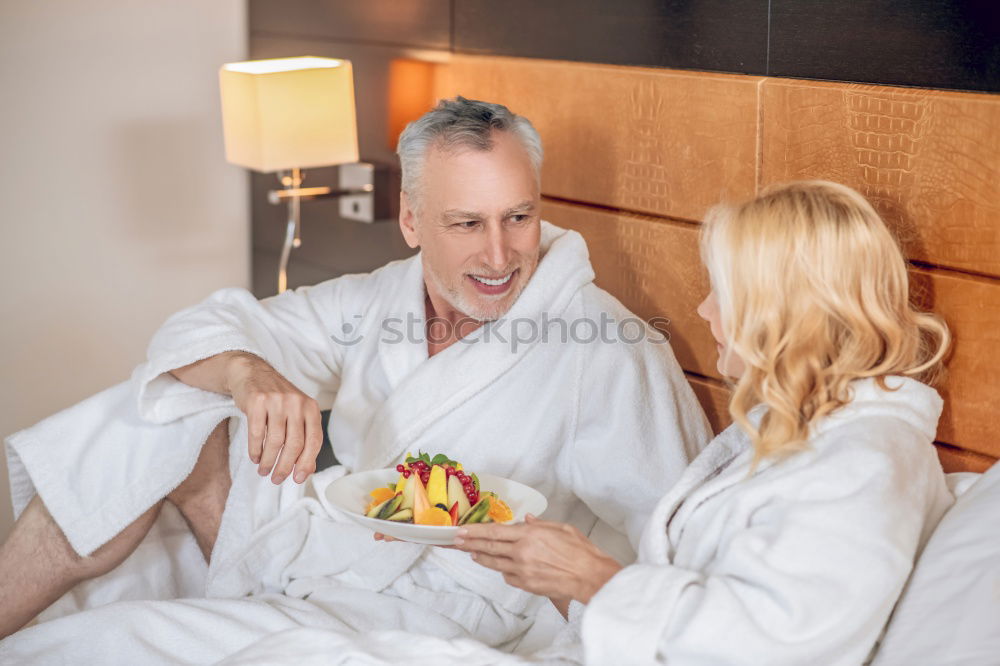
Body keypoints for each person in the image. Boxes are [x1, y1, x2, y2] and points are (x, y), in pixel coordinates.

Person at [0, 97, 711, 662]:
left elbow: (676, 531)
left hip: (443, 610)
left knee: (92, 645)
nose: (500, 254)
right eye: (466, 224)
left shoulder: (606, 345)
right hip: (326, 549)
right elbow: (196, 331)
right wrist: (250, 373)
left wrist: (582, 620)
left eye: (518, 218)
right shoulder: (379, 299)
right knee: (169, 410)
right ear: (410, 221)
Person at [454, 181, 955, 665]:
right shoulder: (798, 429)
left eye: (722, 291)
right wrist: (559, 577)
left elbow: (767, 647)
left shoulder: (866, 467)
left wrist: (594, 577)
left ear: (783, 310)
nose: (702, 309)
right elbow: (692, 617)